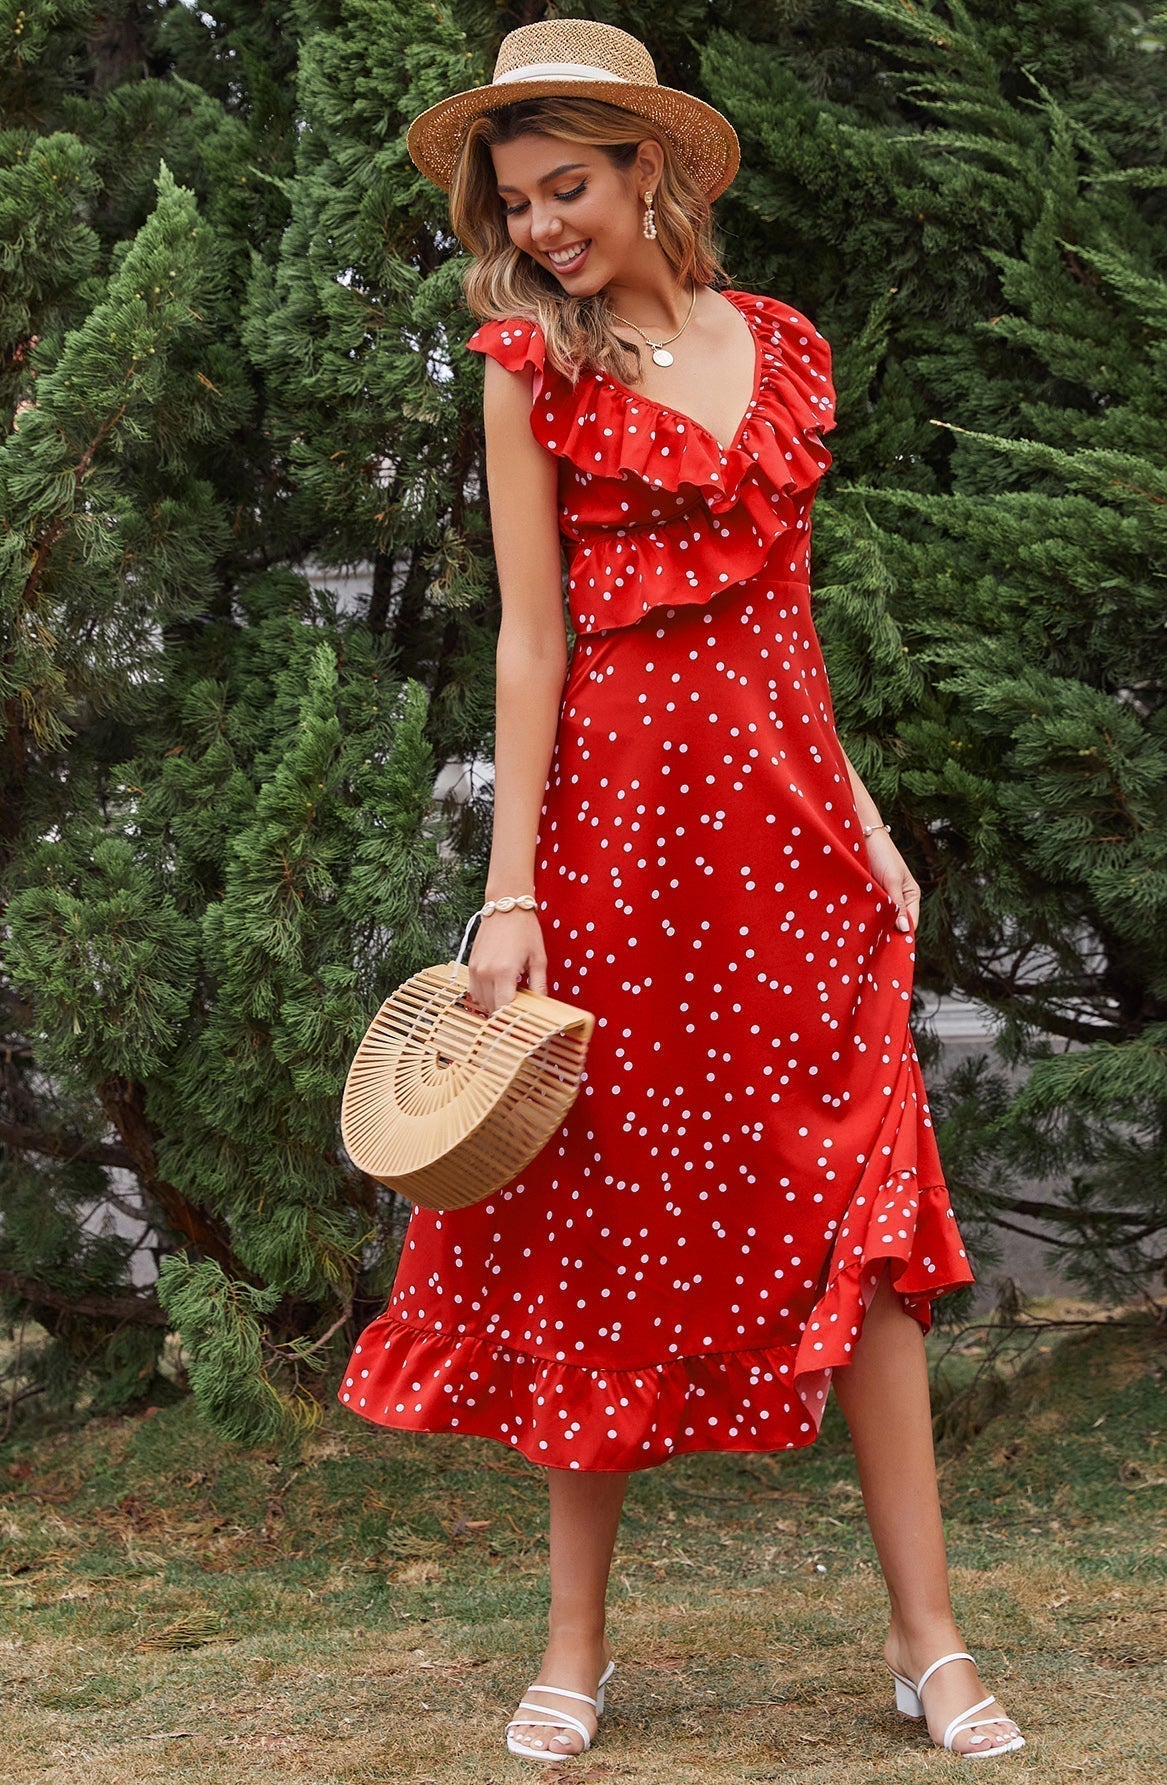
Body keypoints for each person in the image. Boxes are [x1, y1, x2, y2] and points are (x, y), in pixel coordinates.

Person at [339, 17, 1025, 1764]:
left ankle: (931, 1642)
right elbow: (531, 638)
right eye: (517, 201)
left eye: (568, 187)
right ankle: (573, 1650)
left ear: (651, 169)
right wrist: (508, 894)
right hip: (618, 857)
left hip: (793, 848)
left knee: (863, 1221)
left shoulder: (776, 347)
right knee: (591, 1229)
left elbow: (786, 624)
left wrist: (865, 814)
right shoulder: (526, 369)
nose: (542, 226)